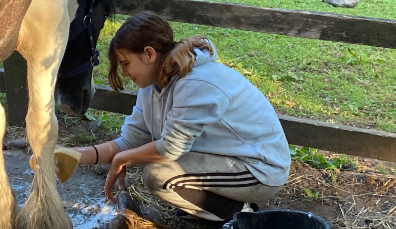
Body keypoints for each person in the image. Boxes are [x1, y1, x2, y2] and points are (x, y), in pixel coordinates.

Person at [69, 12, 291, 224]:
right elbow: (130, 141)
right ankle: (214, 208)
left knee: (159, 175)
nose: (124, 73)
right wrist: (75, 156)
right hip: (229, 159)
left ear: (149, 54)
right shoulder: (150, 86)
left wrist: (122, 159)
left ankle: (242, 215)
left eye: (126, 63)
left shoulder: (195, 83)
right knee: (160, 170)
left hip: (261, 168)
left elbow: (170, 149)